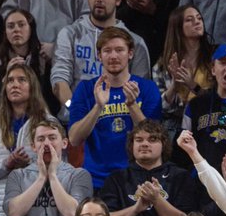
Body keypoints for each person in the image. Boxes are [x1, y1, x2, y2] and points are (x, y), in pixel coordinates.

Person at [67, 28, 162, 191]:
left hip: (137, 177)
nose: (113, 56)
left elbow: (154, 138)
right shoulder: (85, 89)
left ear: (130, 53)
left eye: (119, 50)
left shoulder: (147, 88)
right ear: (99, 55)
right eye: (107, 51)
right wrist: (98, 107)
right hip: (96, 179)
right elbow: (74, 139)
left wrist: (132, 105)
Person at [0, 63, 57, 216]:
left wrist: (29, 164)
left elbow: (59, 167)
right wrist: (6, 164)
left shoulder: (48, 124)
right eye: (10, 81)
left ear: (33, 86)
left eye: (22, 80)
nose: (15, 84)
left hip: (38, 206)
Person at [6, 121, 94, 216]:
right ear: (33, 146)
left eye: (52, 138)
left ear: (64, 143)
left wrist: (52, 175)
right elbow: (14, 213)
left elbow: (71, 213)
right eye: (41, 139)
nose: (46, 143)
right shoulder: (18, 176)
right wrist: (41, 177)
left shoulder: (78, 175)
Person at [151, 6, 214, 140]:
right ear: (178, 28)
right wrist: (174, 85)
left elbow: (220, 99)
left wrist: (193, 86)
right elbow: (161, 108)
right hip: (175, 125)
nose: (197, 22)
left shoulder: (214, 59)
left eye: (199, 18)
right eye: (189, 20)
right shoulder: (162, 65)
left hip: (209, 120)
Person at [0, 9, 57, 113]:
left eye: (21, 25)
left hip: (40, 117)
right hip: (5, 118)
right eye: (11, 26)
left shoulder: (43, 58)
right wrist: (6, 79)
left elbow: (52, 100)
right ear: (5, 32)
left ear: (31, 28)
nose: (16, 30)